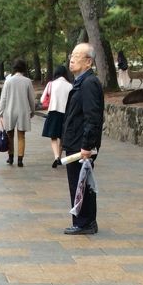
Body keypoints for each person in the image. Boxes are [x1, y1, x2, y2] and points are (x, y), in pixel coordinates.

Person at [62, 43, 104, 235]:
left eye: (77, 56)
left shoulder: (89, 83)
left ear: (88, 62)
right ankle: (82, 220)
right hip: (75, 143)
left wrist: (87, 145)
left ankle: (85, 222)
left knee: (82, 183)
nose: (72, 58)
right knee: (78, 183)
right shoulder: (81, 82)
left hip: (81, 145)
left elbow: (92, 117)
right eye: (72, 55)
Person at [0, 58, 35, 167]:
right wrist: (32, 111)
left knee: (10, 135)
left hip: (9, 111)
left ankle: (10, 157)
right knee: (21, 136)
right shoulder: (27, 81)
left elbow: (3, 98)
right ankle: (20, 159)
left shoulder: (8, 81)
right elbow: (31, 99)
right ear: (24, 68)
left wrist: (0, 114)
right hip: (23, 112)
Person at [41, 64, 72, 167]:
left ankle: (56, 157)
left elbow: (42, 99)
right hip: (66, 114)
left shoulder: (51, 84)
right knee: (62, 137)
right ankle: (60, 155)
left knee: (53, 137)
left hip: (53, 112)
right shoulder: (70, 86)